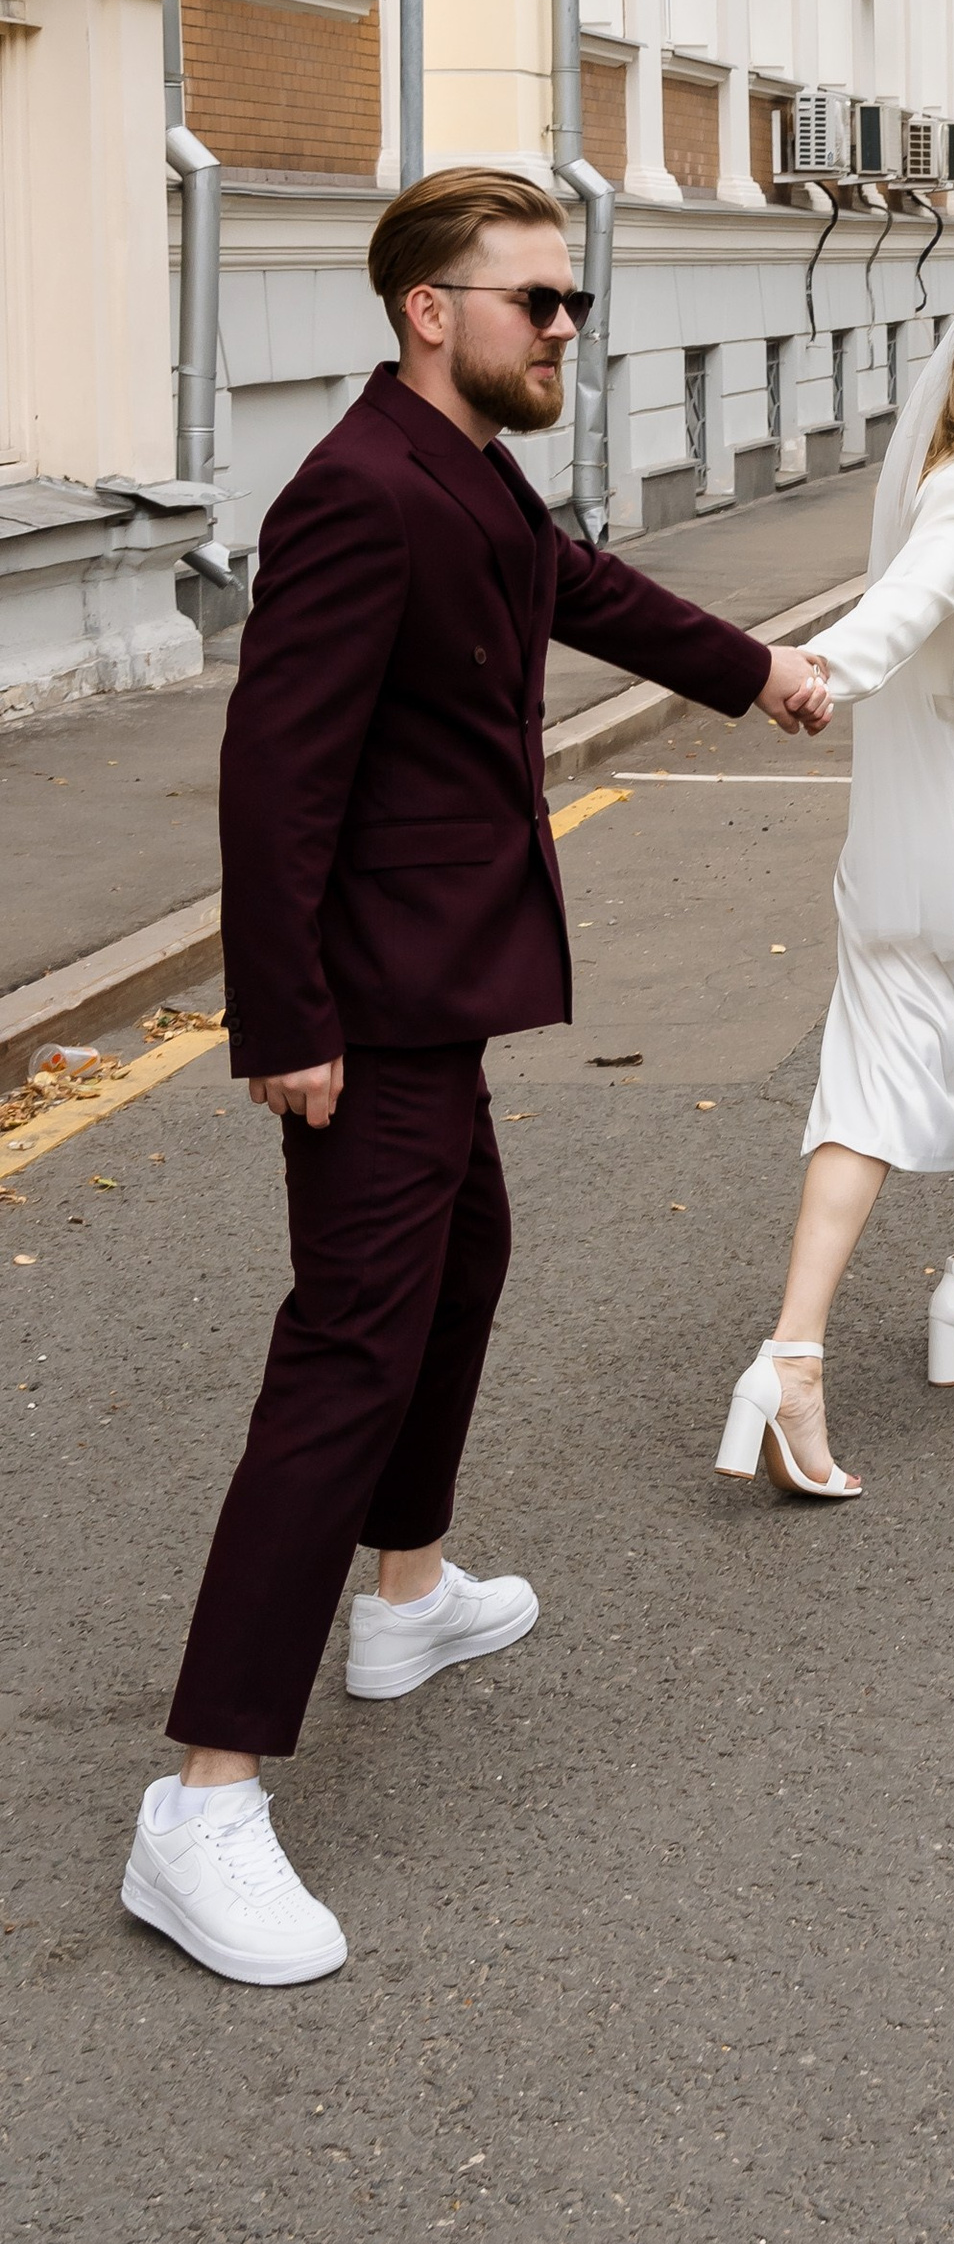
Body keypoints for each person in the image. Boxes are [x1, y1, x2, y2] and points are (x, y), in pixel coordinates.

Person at [126, 167, 834, 1989]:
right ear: (433, 309)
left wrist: (752, 664)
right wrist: (282, 1022)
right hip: (368, 994)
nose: (569, 328)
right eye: (542, 299)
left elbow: (566, 581)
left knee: (466, 1271)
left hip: (441, 981)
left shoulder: (457, 466)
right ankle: (201, 1802)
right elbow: (273, 778)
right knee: (348, 1345)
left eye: (574, 300)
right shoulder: (358, 493)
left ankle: (411, 1595)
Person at [717, 285, 954, 1500]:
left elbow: (943, 632)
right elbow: (911, 603)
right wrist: (817, 671)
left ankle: (793, 1358)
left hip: (919, 837)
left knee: (871, 1082)